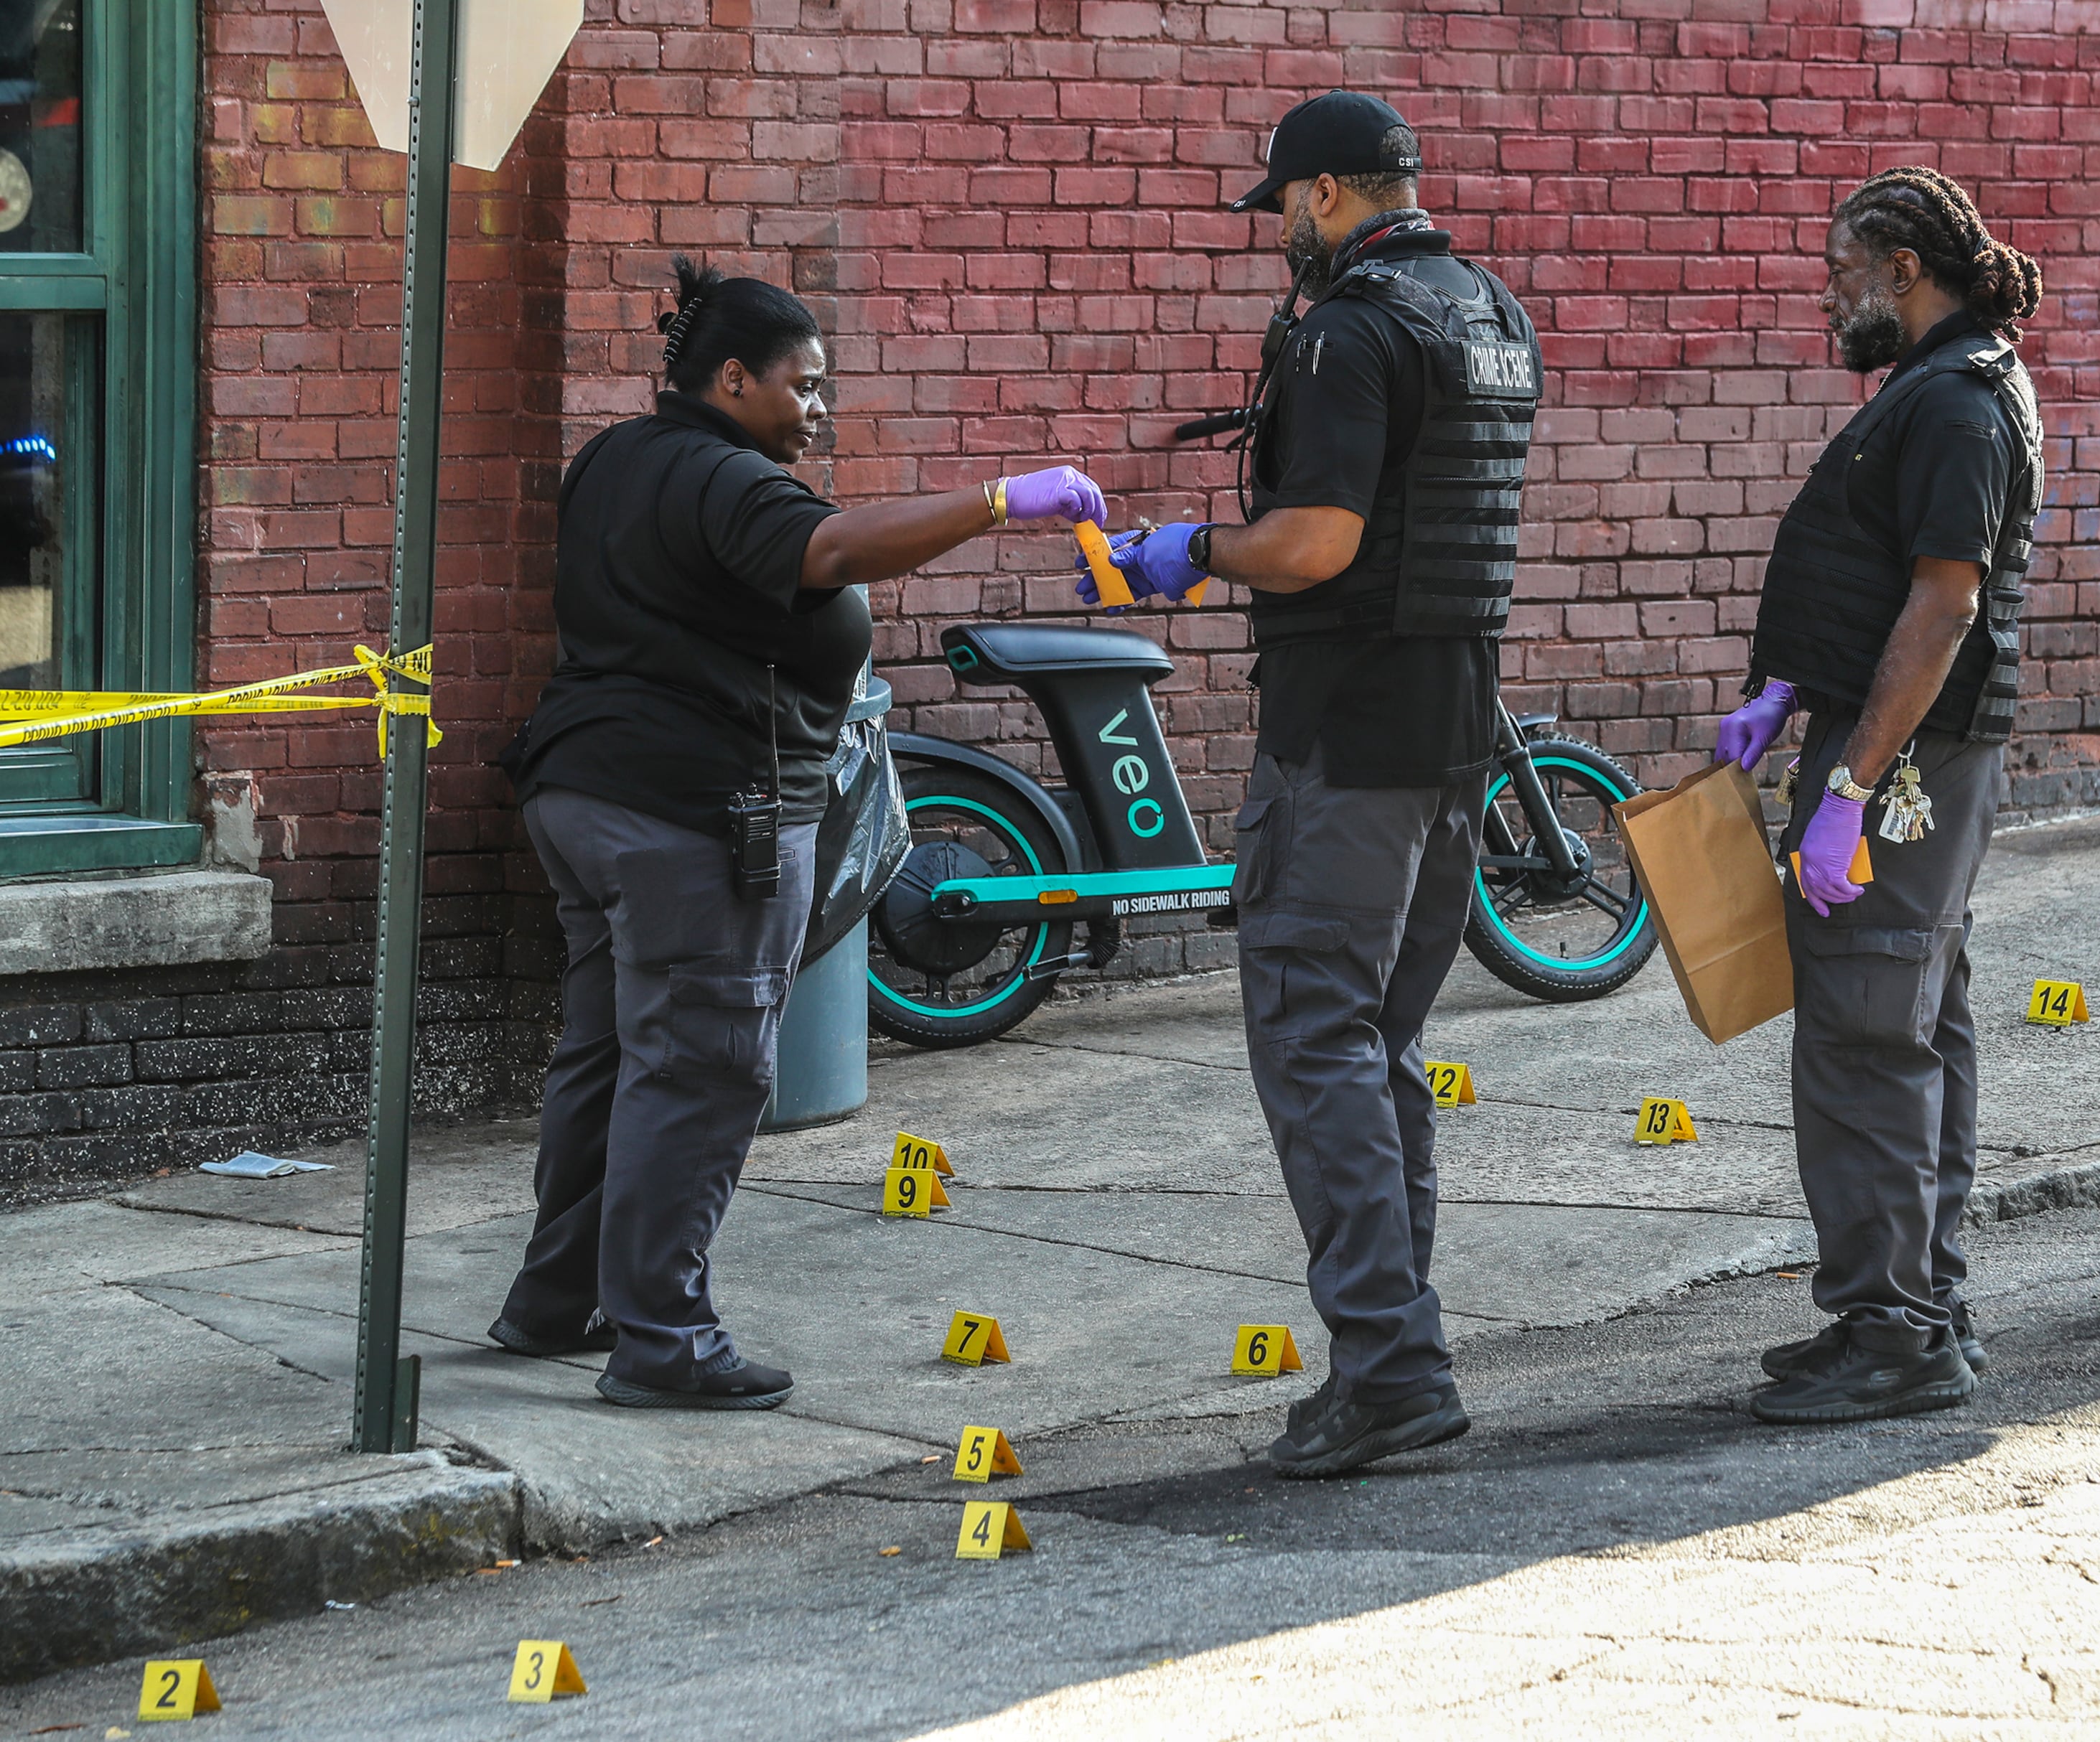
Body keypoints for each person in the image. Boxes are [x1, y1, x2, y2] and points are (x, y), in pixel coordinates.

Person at [493, 256, 1106, 1408]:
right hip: (693, 821)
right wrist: (997, 502)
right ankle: (664, 1340)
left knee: (611, 1053)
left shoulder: (615, 459)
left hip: (581, 795)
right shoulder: (733, 484)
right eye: (803, 388)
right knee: (704, 1070)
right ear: (732, 378)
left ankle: (552, 1300)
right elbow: (826, 552)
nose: (817, 412)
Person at [1093, 92, 1541, 1476]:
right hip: (1456, 731)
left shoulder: (1352, 330)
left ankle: (1392, 1365)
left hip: (1345, 737)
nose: (1278, 228)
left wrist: (1194, 551)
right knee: (1377, 1047)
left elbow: (1320, 543)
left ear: (1332, 194)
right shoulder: (1487, 308)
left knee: (1313, 1039)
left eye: (1285, 203)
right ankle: (1399, 1352)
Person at [1714, 167, 2046, 1425]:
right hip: (1888, 741)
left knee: (1867, 1027)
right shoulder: (1933, 388)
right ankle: (1908, 1304)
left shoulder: (1959, 401)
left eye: (1845, 271)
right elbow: (1866, 572)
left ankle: (1895, 1330)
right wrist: (1788, 688)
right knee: (1909, 1016)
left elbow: (1946, 601)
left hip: (1907, 758)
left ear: (1905, 268)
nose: (1833, 295)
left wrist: (1850, 784)